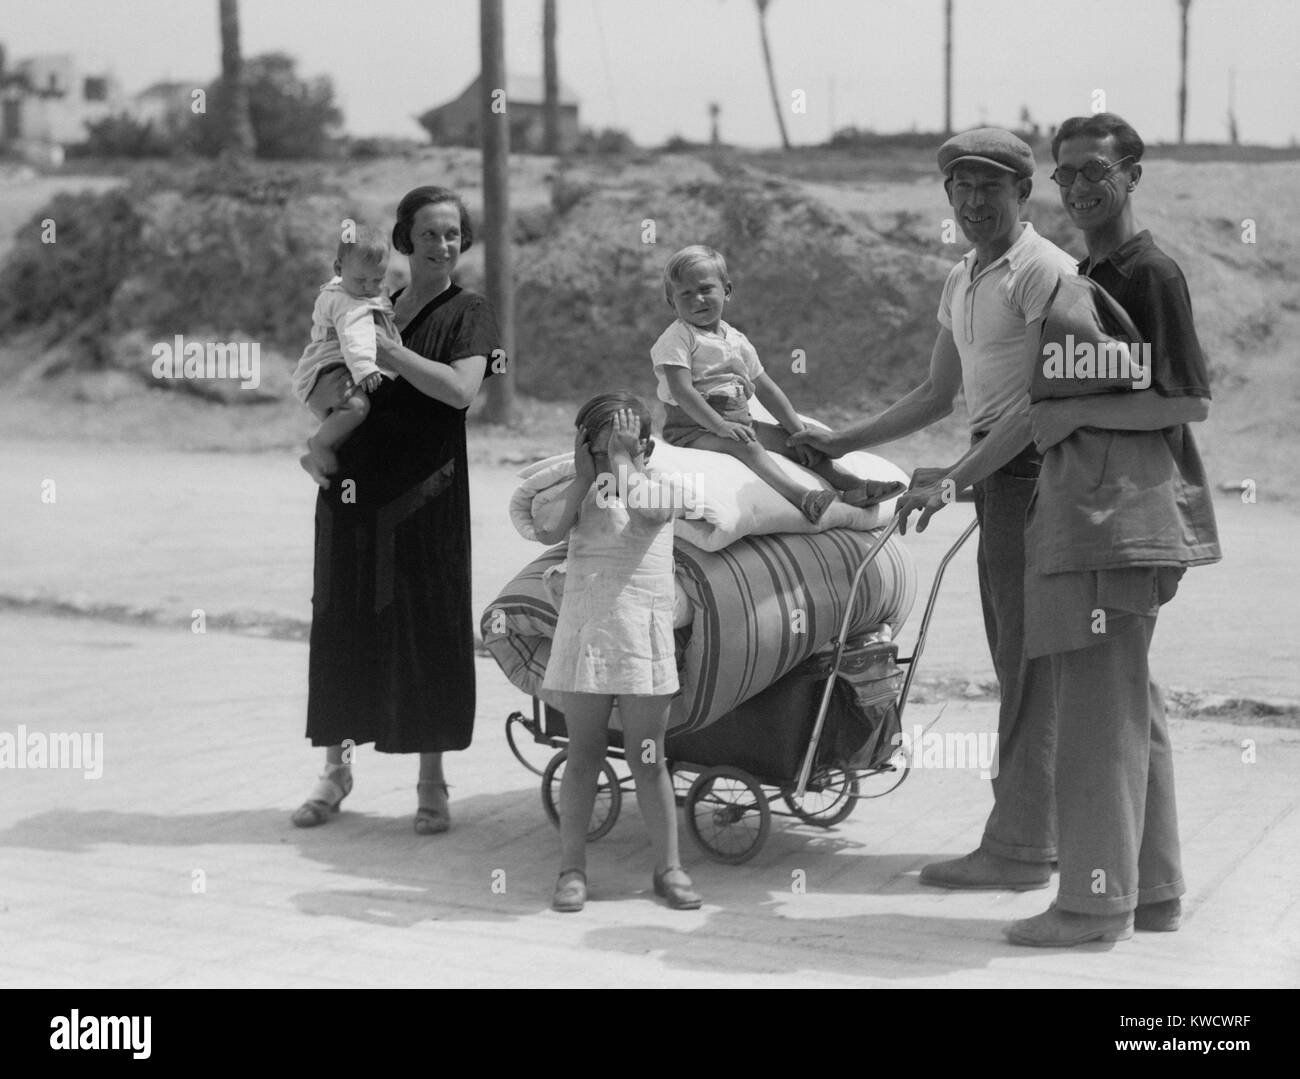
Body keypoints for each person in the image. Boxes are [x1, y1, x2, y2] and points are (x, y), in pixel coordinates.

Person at [791, 129, 1078, 889]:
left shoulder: (1044, 271)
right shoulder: (963, 277)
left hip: (1037, 475)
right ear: (947, 196)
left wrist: (952, 478)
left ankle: (1020, 848)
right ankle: (1032, 834)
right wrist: (837, 442)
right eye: (963, 188)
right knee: (1017, 662)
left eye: (993, 188)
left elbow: (1034, 410)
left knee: (1029, 668)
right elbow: (937, 394)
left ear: (1025, 195)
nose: (977, 202)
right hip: (999, 476)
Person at [1005, 114, 1221, 946]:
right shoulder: (1093, 268)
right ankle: (1154, 891)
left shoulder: (1150, 271)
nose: (1082, 186)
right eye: (1068, 174)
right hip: (1101, 516)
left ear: (1132, 174)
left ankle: (1090, 906)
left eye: (1097, 170)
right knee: (1132, 706)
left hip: (1116, 521)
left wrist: (1073, 415)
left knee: (1097, 715)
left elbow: (1190, 399)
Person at [291, 186, 501, 835]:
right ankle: (336, 770)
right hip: (354, 492)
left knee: (428, 629)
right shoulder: (369, 300)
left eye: (453, 234)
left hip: (427, 495)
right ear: (405, 241)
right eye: (430, 234)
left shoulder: (469, 312)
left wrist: (390, 353)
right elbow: (325, 365)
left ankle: (432, 783)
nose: (443, 245)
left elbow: (461, 390)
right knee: (343, 622)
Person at [535, 392, 702, 913]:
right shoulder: (579, 492)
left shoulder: (660, 487)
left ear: (646, 448)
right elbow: (545, 529)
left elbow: (646, 512)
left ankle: (669, 868)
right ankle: (571, 870)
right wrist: (586, 476)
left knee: (648, 757)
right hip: (587, 638)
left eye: (624, 449)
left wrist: (624, 461)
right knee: (581, 756)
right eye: (601, 450)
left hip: (641, 641)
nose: (610, 461)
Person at [652, 245, 904, 524]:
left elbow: (768, 390)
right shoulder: (677, 338)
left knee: (799, 444)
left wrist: (798, 430)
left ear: (727, 290)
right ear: (671, 302)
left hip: (739, 420)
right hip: (693, 429)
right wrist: (720, 427)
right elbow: (682, 391)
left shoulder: (736, 340)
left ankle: (855, 485)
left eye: (705, 289)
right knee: (746, 447)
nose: (697, 299)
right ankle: (802, 497)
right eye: (685, 294)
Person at [291, 225, 399, 487]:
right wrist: (365, 369)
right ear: (338, 269)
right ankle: (317, 443)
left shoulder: (351, 292)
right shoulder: (347, 302)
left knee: (348, 429)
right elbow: (354, 337)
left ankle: (314, 461)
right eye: (361, 280)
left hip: (332, 370)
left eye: (377, 280)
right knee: (357, 407)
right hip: (330, 369)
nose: (369, 287)